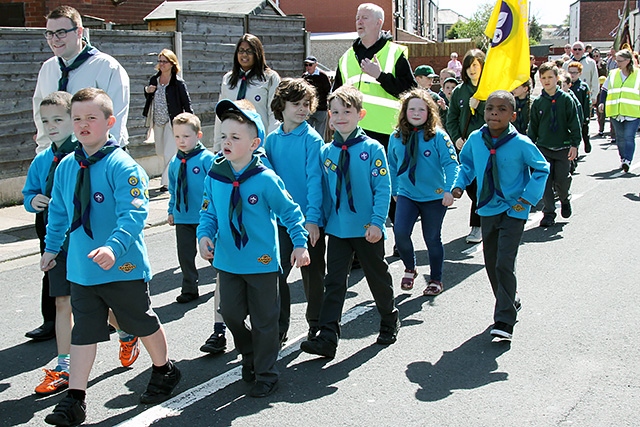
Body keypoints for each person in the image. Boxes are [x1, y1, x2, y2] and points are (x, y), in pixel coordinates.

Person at [41, 88, 180, 426]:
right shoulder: (66, 167)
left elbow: (134, 214)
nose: (83, 124)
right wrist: (51, 247)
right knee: (84, 331)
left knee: (140, 322)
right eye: (77, 118)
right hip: (82, 268)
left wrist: (113, 248)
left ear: (109, 122)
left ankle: (164, 370)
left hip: (123, 265)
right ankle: (75, 400)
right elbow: (59, 211)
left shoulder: (123, 165)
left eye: (91, 117)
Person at [198, 99, 310, 398]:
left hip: (261, 262)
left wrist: (299, 243)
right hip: (228, 260)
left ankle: (266, 373)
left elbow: (290, 212)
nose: (226, 142)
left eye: (235, 137)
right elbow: (208, 211)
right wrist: (204, 235)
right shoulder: (215, 174)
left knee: (265, 321)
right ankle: (248, 353)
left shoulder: (265, 179)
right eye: (223, 135)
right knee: (230, 313)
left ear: (254, 143)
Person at [300, 85, 399, 359]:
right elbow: (319, 190)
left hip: (368, 228)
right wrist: (314, 221)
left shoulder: (372, 149)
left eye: (347, 111)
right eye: (335, 112)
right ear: (328, 116)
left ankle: (389, 318)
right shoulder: (327, 152)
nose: (340, 117)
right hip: (338, 228)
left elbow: (382, 188)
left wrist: (378, 222)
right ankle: (328, 337)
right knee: (334, 282)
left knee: (377, 276)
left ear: (361, 114)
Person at [451, 90, 549, 340]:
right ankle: (509, 300)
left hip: (514, 210)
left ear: (513, 115)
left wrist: (527, 199)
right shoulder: (475, 139)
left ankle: (504, 320)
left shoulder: (521, 143)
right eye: (490, 108)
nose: (494, 112)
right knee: (491, 262)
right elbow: (467, 165)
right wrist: (460, 184)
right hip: (487, 207)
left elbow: (541, 168)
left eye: (502, 109)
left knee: (505, 261)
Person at [23, 92, 77, 394]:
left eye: (58, 119)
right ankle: (64, 365)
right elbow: (28, 193)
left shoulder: (82, 156)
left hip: (82, 238)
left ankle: (124, 331)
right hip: (51, 235)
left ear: (74, 118)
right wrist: (33, 200)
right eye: (46, 121)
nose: (51, 126)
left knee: (97, 297)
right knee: (62, 300)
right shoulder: (43, 158)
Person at [265, 78, 326, 343]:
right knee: (276, 273)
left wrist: (312, 219)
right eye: (296, 104)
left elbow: (315, 181)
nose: (302, 109)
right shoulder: (271, 140)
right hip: (280, 221)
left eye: (306, 104)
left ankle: (316, 324)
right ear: (281, 105)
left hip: (307, 220)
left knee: (312, 277)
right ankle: (279, 327)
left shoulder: (312, 139)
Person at [388, 88, 459, 295]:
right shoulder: (396, 136)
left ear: (429, 112)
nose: (416, 113)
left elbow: (452, 164)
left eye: (421, 109)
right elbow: (391, 164)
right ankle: (410, 268)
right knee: (400, 233)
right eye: (412, 109)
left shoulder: (438, 137)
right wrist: (394, 189)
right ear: (404, 112)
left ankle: (436, 279)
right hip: (407, 194)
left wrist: (449, 190)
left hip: (434, 197)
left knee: (432, 238)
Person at [33, 5, 129, 154]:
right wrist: (44, 155)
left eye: (61, 33)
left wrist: (102, 158)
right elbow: (41, 116)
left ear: (79, 32)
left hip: (98, 156)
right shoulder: (48, 68)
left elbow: (116, 120)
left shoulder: (107, 67)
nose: (54, 39)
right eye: (50, 34)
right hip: (57, 157)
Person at [167, 113, 215, 303]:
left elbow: (215, 187)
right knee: (185, 255)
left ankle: (226, 278)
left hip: (205, 216)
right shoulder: (174, 162)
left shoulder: (207, 159)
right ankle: (190, 288)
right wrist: (171, 210)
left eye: (186, 136)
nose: (181, 141)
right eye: (177, 136)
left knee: (212, 252)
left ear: (198, 136)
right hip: (182, 217)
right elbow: (173, 189)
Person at [528, 62, 581, 227]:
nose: (547, 81)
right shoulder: (538, 103)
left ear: (557, 78)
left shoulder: (566, 99)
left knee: (561, 181)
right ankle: (549, 213)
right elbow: (533, 127)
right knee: (546, 182)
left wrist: (575, 144)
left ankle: (565, 199)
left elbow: (574, 122)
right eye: (543, 78)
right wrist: (530, 149)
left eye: (550, 77)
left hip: (563, 147)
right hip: (544, 148)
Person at [213, 33, 281, 152]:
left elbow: (273, 115)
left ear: (257, 54)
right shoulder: (228, 79)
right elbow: (220, 117)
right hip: (232, 144)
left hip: (257, 143)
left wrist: (269, 145)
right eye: (241, 51)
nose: (244, 55)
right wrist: (217, 145)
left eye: (249, 51)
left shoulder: (269, 78)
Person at [446, 49, 486, 243]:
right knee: (469, 186)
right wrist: (456, 138)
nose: (472, 70)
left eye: (476, 66)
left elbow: (499, 116)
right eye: (469, 66)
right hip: (464, 148)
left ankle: (477, 226)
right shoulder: (459, 92)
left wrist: (481, 105)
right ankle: (484, 217)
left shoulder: (490, 89)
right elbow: (451, 118)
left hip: (486, 147)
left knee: (480, 186)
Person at [143, 49, 194, 192]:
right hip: (157, 120)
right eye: (160, 61)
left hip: (172, 121)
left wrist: (191, 122)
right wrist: (147, 91)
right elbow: (149, 98)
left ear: (172, 64)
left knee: (169, 152)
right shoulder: (154, 80)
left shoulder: (178, 82)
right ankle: (175, 175)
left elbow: (186, 103)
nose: (161, 64)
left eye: (165, 61)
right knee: (160, 151)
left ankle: (166, 183)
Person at [598, 49, 640, 173]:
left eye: (620, 61)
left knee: (629, 137)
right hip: (616, 111)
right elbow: (605, 89)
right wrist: (602, 102)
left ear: (628, 61)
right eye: (616, 60)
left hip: (632, 112)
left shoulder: (638, 74)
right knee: (620, 138)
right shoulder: (613, 74)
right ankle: (623, 159)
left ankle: (627, 160)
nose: (617, 63)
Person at [563, 41, 599, 111]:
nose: (577, 51)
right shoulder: (566, 64)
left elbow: (595, 80)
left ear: (584, 50)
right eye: (575, 49)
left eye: (579, 49)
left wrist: (594, 96)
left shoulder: (591, 63)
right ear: (572, 51)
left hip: (585, 96)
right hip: (570, 95)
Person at [302, 55, 332, 138]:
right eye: (306, 65)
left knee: (320, 134)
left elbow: (328, 91)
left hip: (321, 109)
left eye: (310, 65)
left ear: (316, 65)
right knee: (307, 133)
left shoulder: (323, 76)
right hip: (308, 108)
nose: (308, 67)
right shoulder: (304, 76)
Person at [567, 61, 592, 153]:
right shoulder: (566, 85)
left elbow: (586, 103)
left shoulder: (583, 86)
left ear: (580, 73)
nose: (572, 75)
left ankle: (587, 141)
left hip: (581, 112)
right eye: (570, 72)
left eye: (574, 72)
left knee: (584, 130)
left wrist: (587, 116)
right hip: (571, 113)